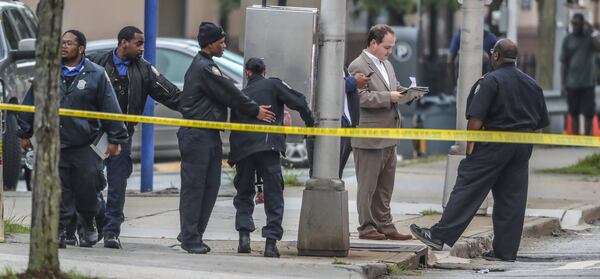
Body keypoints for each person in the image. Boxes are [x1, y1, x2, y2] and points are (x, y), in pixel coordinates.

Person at [410, 39, 550, 262]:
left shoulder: (491, 81)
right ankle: (506, 252)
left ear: (495, 56)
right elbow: (540, 123)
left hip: (492, 144)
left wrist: (470, 149)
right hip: (522, 147)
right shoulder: (532, 84)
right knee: (512, 199)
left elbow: (476, 119)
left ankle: (439, 235)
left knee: (467, 188)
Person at [17, 30, 128, 248]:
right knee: (58, 192)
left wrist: (116, 138)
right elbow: (30, 103)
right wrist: (24, 132)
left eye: (68, 43)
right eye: (61, 43)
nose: (63, 46)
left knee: (87, 191)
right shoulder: (47, 73)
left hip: (85, 145)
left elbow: (110, 107)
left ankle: (88, 224)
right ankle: (57, 232)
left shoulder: (96, 74)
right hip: (55, 143)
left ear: (81, 48)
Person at [178, 22, 275, 254]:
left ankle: (192, 233)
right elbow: (230, 93)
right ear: (210, 44)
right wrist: (255, 111)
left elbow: (229, 94)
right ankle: (190, 238)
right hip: (198, 136)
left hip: (209, 134)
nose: (224, 45)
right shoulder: (205, 68)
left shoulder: (207, 65)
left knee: (210, 187)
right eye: (221, 42)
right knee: (195, 188)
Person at [89, 26, 181, 249]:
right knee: (87, 181)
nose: (142, 48)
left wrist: (200, 107)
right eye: (138, 43)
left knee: (118, 184)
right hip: (93, 136)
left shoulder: (144, 70)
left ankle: (112, 232)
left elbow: (172, 96)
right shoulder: (95, 63)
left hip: (121, 137)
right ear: (123, 43)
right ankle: (95, 219)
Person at [228, 58, 314, 257]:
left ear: (247, 73)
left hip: (243, 150)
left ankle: (244, 237)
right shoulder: (274, 84)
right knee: (274, 194)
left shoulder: (241, 94)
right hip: (268, 147)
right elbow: (299, 101)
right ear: (264, 71)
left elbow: (234, 124)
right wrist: (310, 122)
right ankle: (270, 243)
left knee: (243, 192)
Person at [348, 24, 416, 241]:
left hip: (390, 134)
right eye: (387, 47)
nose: (390, 52)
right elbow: (360, 98)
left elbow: (394, 87)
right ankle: (366, 227)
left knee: (385, 187)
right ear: (373, 43)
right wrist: (389, 97)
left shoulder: (387, 64)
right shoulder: (357, 65)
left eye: (392, 47)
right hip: (369, 136)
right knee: (367, 186)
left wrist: (409, 93)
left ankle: (385, 225)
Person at [560, 13, 600, 135]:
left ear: (583, 24)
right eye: (573, 24)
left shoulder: (590, 38)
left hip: (588, 83)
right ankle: (576, 141)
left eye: (577, 24)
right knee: (574, 113)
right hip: (572, 83)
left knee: (588, 114)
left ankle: (586, 140)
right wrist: (562, 84)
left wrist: (592, 31)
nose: (575, 26)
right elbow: (563, 63)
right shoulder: (568, 39)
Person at [447, 19, 498, 91]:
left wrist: (454, 84)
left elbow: (450, 59)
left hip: (474, 78)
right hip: (480, 79)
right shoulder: (490, 37)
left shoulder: (460, 36)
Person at [339, 68, 369, 178]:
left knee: (337, 173)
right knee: (332, 174)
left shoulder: (341, 64)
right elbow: (334, 86)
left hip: (347, 125)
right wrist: (354, 81)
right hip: (336, 124)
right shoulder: (325, 60)